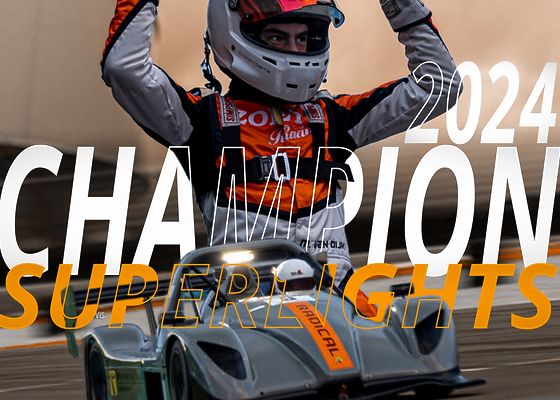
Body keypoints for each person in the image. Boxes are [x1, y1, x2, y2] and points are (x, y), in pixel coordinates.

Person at [101, 0, 461, 286]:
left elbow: (442, 85)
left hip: (334, 304)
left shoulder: (331, 117)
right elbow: (125, 68)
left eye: (303, 38)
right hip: (244, 310)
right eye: (277, 37)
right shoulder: (202, 122)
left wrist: (398, 5)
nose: (294, 48)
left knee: (419, 328)